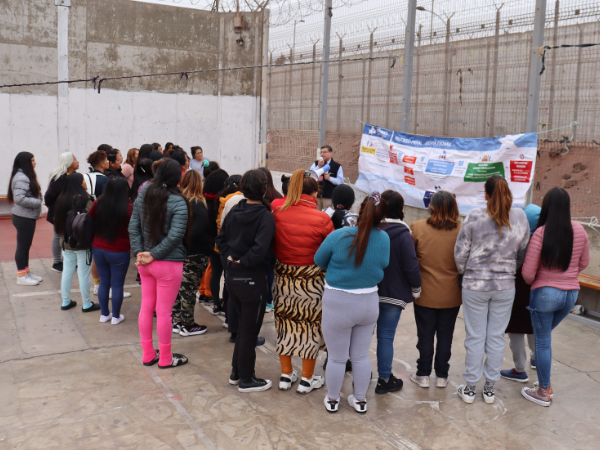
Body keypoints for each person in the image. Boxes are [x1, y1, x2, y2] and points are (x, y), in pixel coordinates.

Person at [454, 176, 529, 405]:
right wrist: (506, 271)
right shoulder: (520, 217)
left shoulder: (475, 216)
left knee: (475, 337)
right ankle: (489, 389)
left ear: (486, 194)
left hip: (475, 285)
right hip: (505, 286)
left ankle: (469, 388)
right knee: (496, 337)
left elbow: (460, 254)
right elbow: (522, 254)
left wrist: (468, 271)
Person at [315, 192, 390, 414]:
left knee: (337, 358)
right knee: (360, 355)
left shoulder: (339, 236)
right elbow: (384, 264)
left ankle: (332, 399)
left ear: (360, 210)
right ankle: (359, 400)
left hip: (338, 302)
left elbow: (318, 260)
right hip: (368, 303)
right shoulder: (384, 238)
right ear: (382, 216)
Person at [521, 188, 589, 406]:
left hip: (545, 294)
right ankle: (544, 385)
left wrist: (541, 282)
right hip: (571, 295)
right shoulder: (580, 230)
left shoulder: (541, 233)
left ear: (547, 206)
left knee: (542, 343)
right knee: (544, 340)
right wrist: (568, 276)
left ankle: (543, 391)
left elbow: (527, 274)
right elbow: (584, 263)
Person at [271, 169, 334, 394]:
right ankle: (307, 380)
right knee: (310, 328)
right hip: (312, 282)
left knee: (285, 325)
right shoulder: (322, 218)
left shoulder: (277, 211)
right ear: (314, 193)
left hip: (283, 279)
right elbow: (331, 251)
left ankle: (286, 375)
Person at [216, 169, 275, 393]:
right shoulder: (264, 216)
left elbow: (220, 239)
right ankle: (247, 379)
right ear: (264, 189)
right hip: (251, 281)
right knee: (249, 331)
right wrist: (241, 262)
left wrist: (230, 260)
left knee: (243, 329)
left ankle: (236, 372)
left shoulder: (236, 209)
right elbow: (260, 251)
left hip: (232, 279)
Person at [129, 159, 190, 369]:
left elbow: (133, 227)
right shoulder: (179, 201)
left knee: (146, 307)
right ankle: (165, 358)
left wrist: (141, 253)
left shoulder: (144, 194)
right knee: (164, 311)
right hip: (167, 263)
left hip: (144, 262)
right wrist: (153, 254)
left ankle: (148, 354)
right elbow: (175, 236)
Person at [410, 191, 462, 389]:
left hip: (424, 293)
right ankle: (442, 375)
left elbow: (411, 260)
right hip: (451, 294)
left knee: (424, 335)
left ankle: (423, 374)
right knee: (446, 336)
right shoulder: (461, 230)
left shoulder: (418, 228)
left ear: (431, 206)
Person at [375, 190, 421, 394]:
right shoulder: (404, 235)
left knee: (360, 337)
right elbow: (411, 266)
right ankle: (384, 380)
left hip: (368, 293)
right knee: (385, 337)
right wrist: (416, 288)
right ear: (401, 210)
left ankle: (358, 375)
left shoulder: (372, 229)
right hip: (393, 296)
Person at [500, 204, 542, 383]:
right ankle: (535, 359)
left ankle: (519, 369)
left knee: (516, 332)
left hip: (517, 296)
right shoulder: (543, 240)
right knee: (535, 331)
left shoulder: (518, 239)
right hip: (537, 297)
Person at [171, 170, 211, 336]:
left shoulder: (178, 201)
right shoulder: (199, 204)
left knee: (179, 288)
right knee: (188, 289)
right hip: (195, 253)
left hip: (179, 252)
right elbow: (195, 232)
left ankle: (176, 320)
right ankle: (187, 325)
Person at [89, 177, 133, 325]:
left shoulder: (99, 202)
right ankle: (115, 316)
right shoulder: (129, 208)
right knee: (117, 284)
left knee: (103, 283)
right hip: (120, 250)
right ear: (125, 190)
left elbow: (90, 219)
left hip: (99, 247)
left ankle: (104, 314)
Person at [53, 173, 100, 312]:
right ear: (79, 184)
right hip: (82, 243)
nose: (85, 183)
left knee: (67, 272)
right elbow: (93, 220)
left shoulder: (60, 199)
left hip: (66, 242)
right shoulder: (86, 200)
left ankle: (66, 301)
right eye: (83, 181)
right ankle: (86, 304)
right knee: (83, 274)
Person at [8, 152, 43, 286]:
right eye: (32, 160)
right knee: (23, 247)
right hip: (23, 217)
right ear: (25, 163)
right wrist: (38, 202)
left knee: (25, 246)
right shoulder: (22, 177)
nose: (35, 163)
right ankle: (21, 276)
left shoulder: (25, 175)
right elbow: (19, 199)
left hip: (26, 216)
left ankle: (26, 272)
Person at [211, 175, 242, 316]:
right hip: (227, 246)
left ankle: (216, 304)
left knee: (216, 274)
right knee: (228, 279)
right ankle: (227, 311)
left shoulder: (220, 199)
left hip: (217, 243)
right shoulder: (236, 201)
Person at [45, 152, 79, 273]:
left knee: (68, 235)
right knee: (58, 235)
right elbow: (49, 196)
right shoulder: (60, 177)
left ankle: (68, 260)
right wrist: (54, 209)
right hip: (59, 212)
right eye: (75, 159)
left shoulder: (73, 175)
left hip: (69, 211)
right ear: (68, 162)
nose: (77, 161)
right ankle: (57, 262)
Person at [201, 169, 230, 303]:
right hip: (222, 241)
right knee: (226, 274)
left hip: (209, 240)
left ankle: (215, 302)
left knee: (214, 272)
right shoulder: (222, 201)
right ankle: (223, 302)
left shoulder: (204, 198)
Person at [259, 167, 283, 313]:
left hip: (263, 238)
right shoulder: (277, 195)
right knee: (270, 271)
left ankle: (267, 299)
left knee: (265, 271)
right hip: (275, 239)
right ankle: (270, 299)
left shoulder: (260, 197)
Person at [309, 145, 344, 211]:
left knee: (328, 215)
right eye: (321, 152)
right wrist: (318, 166)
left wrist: (330, 178)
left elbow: (341, 181)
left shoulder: (337, 166)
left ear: (331, 153)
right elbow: (310, 176)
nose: (322, 154)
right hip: (317, 196)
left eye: (324, 152)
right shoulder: (316, 163)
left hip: (329, 197)